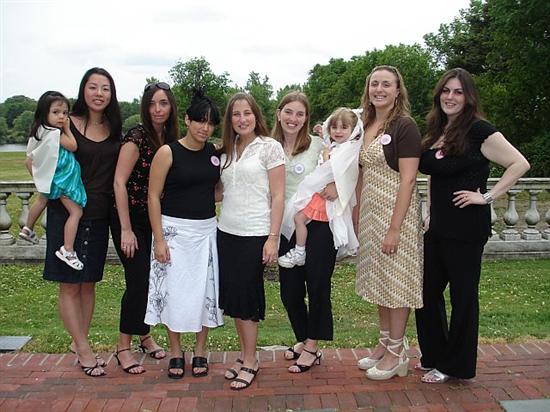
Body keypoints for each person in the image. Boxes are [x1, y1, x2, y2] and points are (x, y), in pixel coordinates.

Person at [415, 68, 530, 383]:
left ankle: (456, 366)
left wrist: (487, 196)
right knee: (426, 294)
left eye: (458, 92)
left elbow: (519, 163)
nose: (450, 97)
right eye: (446, 91)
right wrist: (431, 211)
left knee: (463, 298)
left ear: (468, 97)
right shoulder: (437, 130)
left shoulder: (479, 131)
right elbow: (435, 174)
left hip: (466, 229)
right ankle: (434, 356)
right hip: (438, 227)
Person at [43, 67, 121, 377]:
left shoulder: (114, 128)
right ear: (83, 90)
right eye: (93, 87)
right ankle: (84, 349)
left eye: (105, 88)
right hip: (68, 215)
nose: (99, 93)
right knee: (69, 285)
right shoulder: (65, 123)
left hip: (99, 215)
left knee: (88, 284)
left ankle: (80, 344)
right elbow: (37, 158)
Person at [145, 89, 224, 380]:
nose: (205, 128)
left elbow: (216, 191)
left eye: (211, 123)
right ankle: (176, 352)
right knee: (174, 293)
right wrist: (160, 239)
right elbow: (153, 197)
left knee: (205, 292)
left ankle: (200, 351)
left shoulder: (214, 154)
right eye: (200, 121)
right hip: (174, 233)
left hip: (206, 232)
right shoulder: (168, 152)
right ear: (188, 120)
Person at [355, 65, 423, 380]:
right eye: (374, 84)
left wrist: (395, 228)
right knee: (379, 282)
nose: (379, 89)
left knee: (396, 283)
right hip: (371, 214)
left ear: (397, 91)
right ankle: (384, 343)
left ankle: (398, 353)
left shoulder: (404, 126)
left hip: (397, 214)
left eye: (386, 84)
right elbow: (359, 173)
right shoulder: (366, 124)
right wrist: (357, 215)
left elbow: (409, 180)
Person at [217, 92, 285, 390]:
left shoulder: (269, 147)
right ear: (229, 119)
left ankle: (251, 360)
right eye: (236, 114)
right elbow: (221, 192)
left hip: (255, 233)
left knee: (247, 298)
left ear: (256, 116)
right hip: (226, 232)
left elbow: (278, 195)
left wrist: (272, 238)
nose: (242, 119)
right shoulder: (226, 150)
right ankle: (245, 354)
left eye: (247, 113)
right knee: (234, 298)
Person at [110, 82, 178, 374]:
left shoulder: (170, 138)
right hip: (130, 219)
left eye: (163, 103)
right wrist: (125, 229)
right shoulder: (136, 137)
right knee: (138, 281)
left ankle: (145, 335)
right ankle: (123, 347)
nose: (157, 109)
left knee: (152, 281)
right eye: (151, 104)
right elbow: (118, 182)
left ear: (171, 106)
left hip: (156, 219)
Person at [272, 91, 335, 374]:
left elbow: (345, 167)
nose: (293, 119)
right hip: (285, 227)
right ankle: (303, 336)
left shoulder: (319, 145)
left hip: (318, 224)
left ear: (306, 118)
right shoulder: (269, 147)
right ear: (279, 114)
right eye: (288, 112)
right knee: (290, 292)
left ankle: (311, 345)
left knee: (318, 286)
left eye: (300, 114)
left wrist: (336, 186)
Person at [279, 107, 363, 268]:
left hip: (324, 197)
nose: (338, 131)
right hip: (321, 194)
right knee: (298, 218)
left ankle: (299, 252)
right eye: (334, 127)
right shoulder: (339, 146)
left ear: (353, 130)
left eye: (344, 127)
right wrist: (322, 132)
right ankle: (299, 251)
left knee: (298, 218)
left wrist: (325, 156)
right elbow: (328, 142)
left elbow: (333, 169)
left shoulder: (347, 150)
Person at [22, 91, 86, 271]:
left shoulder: (39, 132)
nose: (62, 117)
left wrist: (42, 178)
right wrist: (67, 129)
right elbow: (73, 146)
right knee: (76, 212)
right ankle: (68, 249)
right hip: (62, 182)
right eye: (56, 112)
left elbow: (29, 160)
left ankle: (27, 228)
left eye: (65, 113)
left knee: (41, 200)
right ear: (45, 113)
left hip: (50, 180)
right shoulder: (54, 134)